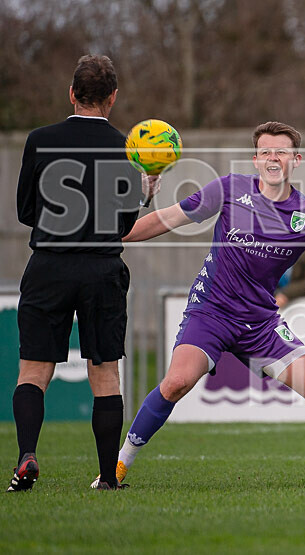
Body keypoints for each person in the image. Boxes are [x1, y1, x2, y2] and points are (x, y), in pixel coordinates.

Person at [105, 122, 305, 488]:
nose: (272, 157)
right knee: (176, 383)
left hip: (261, 322)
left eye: (280, 151)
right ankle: (117, 468)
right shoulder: (229, 190)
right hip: (211, 311)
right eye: (265, 151)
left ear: (296, 160)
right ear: (256, 160)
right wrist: (117, 236)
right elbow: (167, 219)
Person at [9, 55, 158, 492]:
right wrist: (146, 192)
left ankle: (26, 456)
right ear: (113, 99)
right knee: (105, 374)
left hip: (48, 267)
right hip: (102, 270)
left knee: (33, 372)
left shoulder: (40, 139)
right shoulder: (128, 149)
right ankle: (109, 478)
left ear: (72, 94)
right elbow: (126, 225)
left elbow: (24, 211)